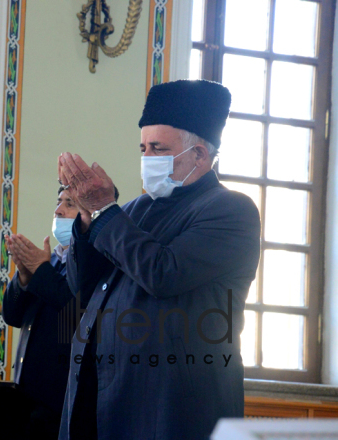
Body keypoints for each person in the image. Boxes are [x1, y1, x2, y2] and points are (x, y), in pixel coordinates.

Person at [57, 80, 261, 440]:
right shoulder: (136, 209)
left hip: (170, 406)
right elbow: (84, 286)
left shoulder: (230, 210)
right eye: (143, 148)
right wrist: (88, 220)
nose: (146, 158)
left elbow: (163, 273)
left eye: (157, 148)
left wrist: (104, 210)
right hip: (102, 393)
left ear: (198, 154)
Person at [3, 186, 79, 439]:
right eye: (58, 202)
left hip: (60, 397)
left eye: (70, 204)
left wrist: (40, 269)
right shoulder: (49, 259)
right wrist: (23, 278)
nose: (58, 211)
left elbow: (76, 313)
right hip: (25, 393)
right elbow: (12, 316)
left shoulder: (97, 262)